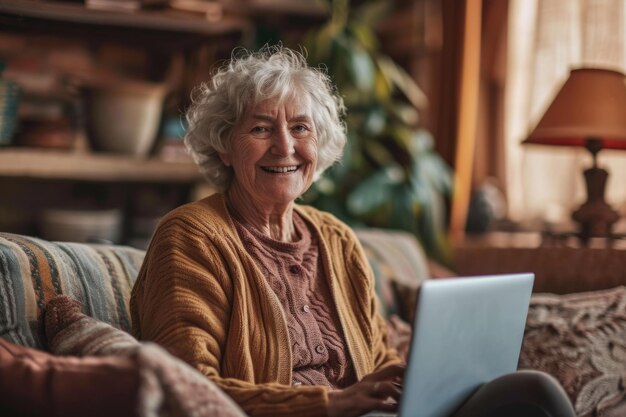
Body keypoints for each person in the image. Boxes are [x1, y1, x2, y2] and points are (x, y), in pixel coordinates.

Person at [130, 46, 575, 417]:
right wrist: (331, 403)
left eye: (300, 128)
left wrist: (408, 380)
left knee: (533, 392)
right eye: (261, 128)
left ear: (317, 145)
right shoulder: (191, 237)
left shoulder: (338, 240)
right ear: (225, 147)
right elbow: (185, 390)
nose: (285, 147)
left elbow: (377, 355)